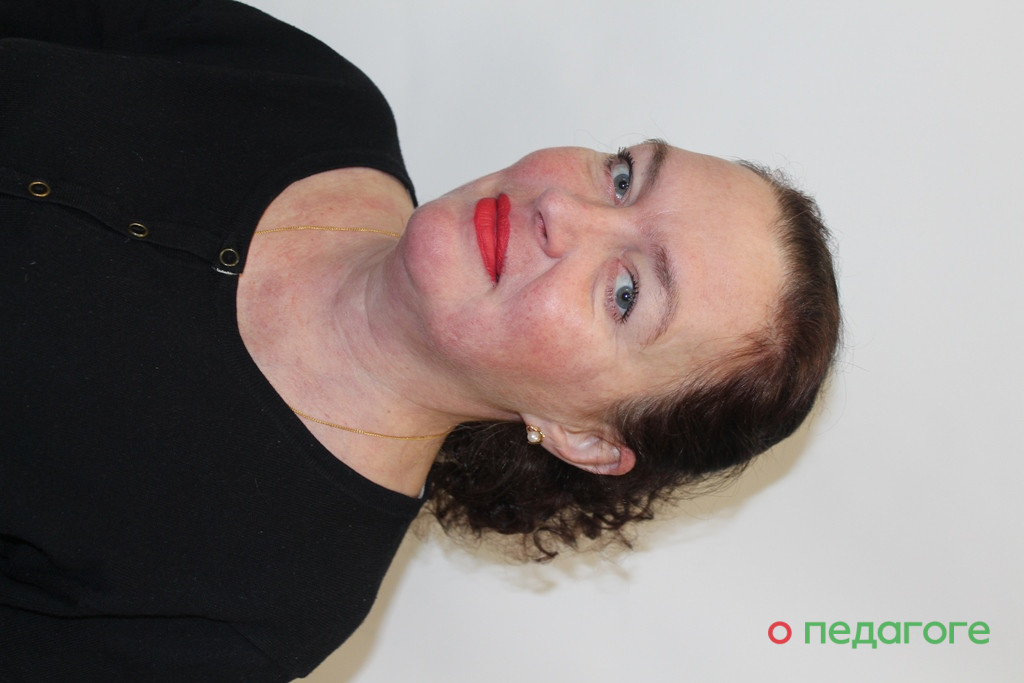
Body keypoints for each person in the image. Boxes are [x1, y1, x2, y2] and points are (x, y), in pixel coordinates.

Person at [0, 0, 840, 680]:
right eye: (623, 177)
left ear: (585, 436)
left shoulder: (256, 604)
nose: (562, 210)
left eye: (626, 293)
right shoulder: (319, 97)